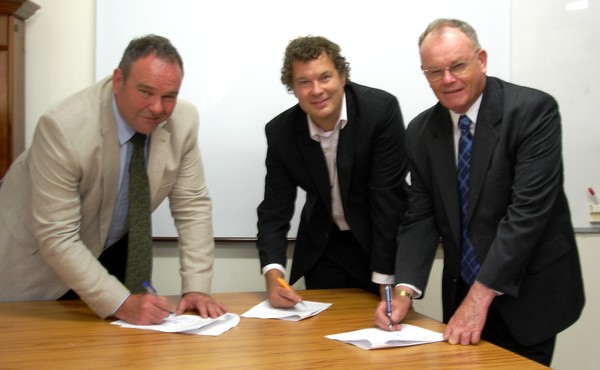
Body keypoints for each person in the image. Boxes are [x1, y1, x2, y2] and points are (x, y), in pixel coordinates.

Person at [374, 19, 585, 366]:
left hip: (530, 292)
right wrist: (403, 290)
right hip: (462, 292)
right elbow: (421, 216)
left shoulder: (531, 111)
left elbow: (527, 214)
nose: (448, 79)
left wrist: (479, 298)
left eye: (457, 65)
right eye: (434, 71)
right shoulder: (421, 131)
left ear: (481, 60)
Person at [0, 35, 227, 324]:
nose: (158, 108)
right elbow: (58, 236)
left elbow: (192, 206)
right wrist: (121, 302)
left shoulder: (184, 121)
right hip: (37, 261)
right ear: (118, 80)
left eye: (169, 96)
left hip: (112, 249)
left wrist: (197, 287)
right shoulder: (63, 127)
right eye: (145, 92)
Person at [256, 36, 408, 308]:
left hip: (378, 241)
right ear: (293, 88)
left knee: (386, 327)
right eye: (304, 82)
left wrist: (387, 282)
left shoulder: (379, 112)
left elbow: (388, 200)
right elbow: (274, 210)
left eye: (325, 77)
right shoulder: (281, 133)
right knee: (324, 337)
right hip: (324, 246)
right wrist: (273, 275)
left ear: (342, 77)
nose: (317, 90)